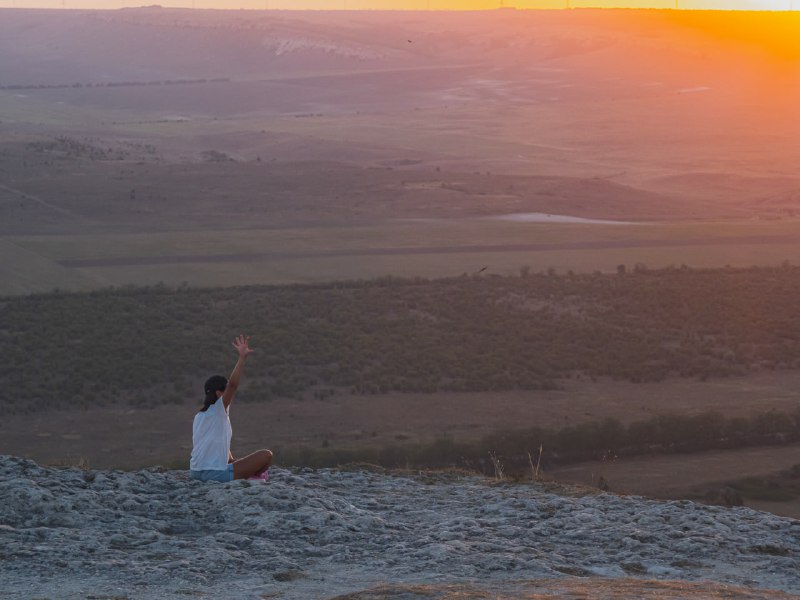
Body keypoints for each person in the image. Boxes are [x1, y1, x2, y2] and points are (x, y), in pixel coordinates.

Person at [189, 334, 273, 482]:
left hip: (195, 473)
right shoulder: (219, 409)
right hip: (215, 474)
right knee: (266, 455)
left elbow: (216, 445)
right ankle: (252, 477)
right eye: (225, 390)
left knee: (235, 462)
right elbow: (233, 385)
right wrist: (242, 358)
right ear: (218, 393)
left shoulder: (200, 416)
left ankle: (245, 474)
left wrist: (234, 463)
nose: (229, 394)